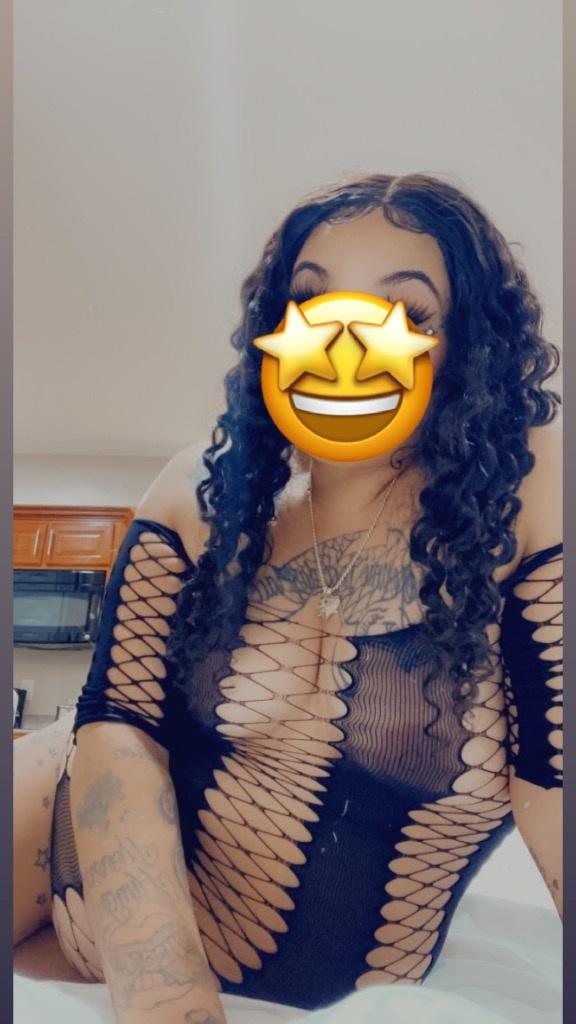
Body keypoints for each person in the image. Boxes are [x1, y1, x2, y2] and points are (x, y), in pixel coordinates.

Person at [13, 173, 563, 1023]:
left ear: (471, 347)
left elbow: (554, 783)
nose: (345, 343)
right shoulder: (199, 493)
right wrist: (168, 1002)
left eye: (407, 310)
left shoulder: (524, 508)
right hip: (66, 854)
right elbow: (117, 728)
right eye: (312, 300)